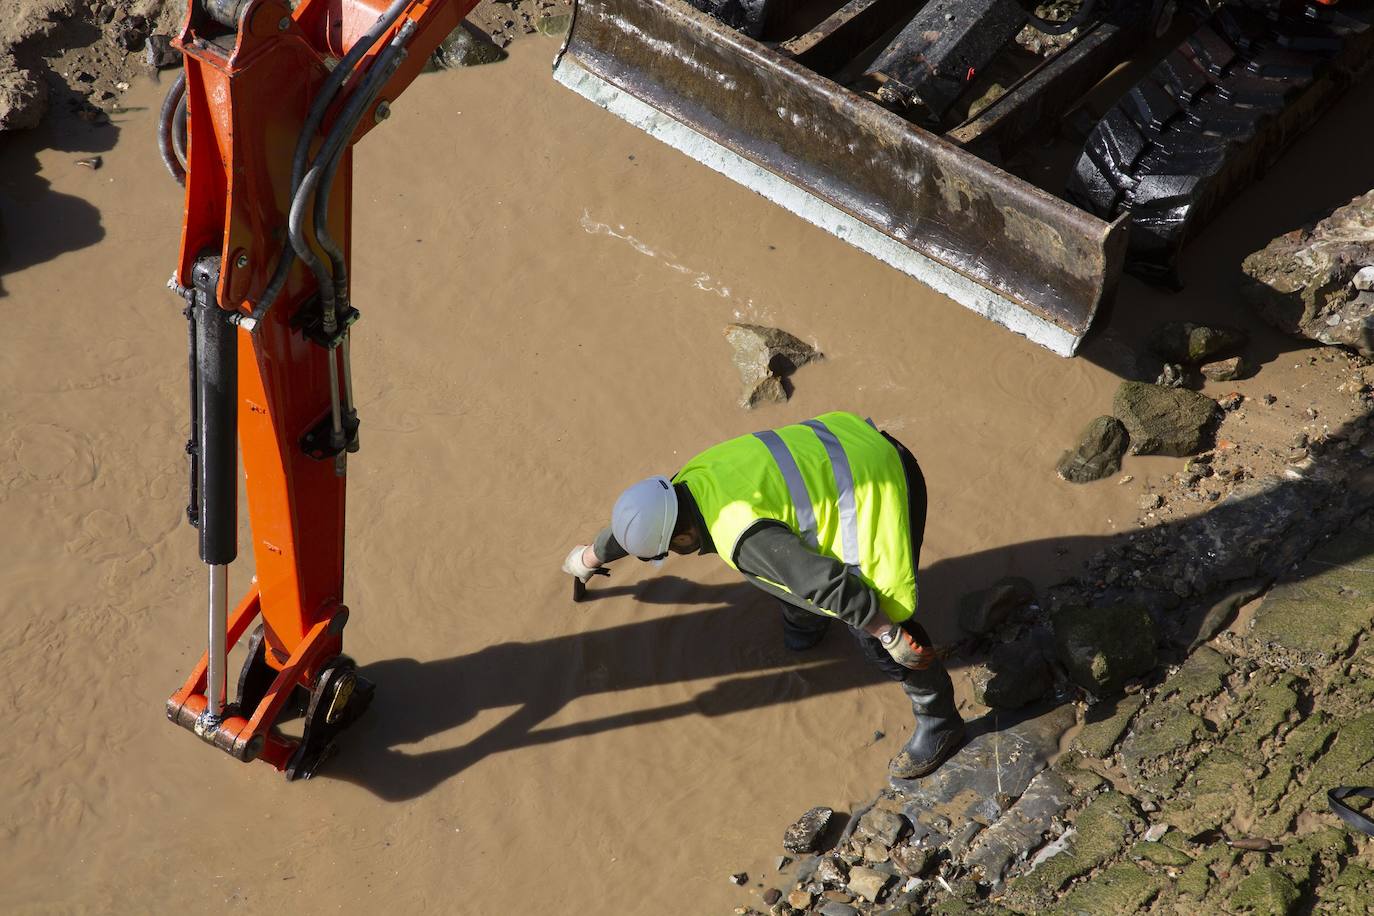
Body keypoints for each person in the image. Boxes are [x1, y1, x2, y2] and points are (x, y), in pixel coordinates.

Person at [562, 410, 965, 779]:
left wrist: (887, 633)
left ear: (683, 537)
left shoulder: (740, 535)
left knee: (872, 618)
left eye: (671, 549)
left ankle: (939, 721)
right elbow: (641, 521)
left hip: (885, 481)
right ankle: (806, 621)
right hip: (854, 445)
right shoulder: (690, 481)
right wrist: (590, 555)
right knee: (783, 569)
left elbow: (823, 581)